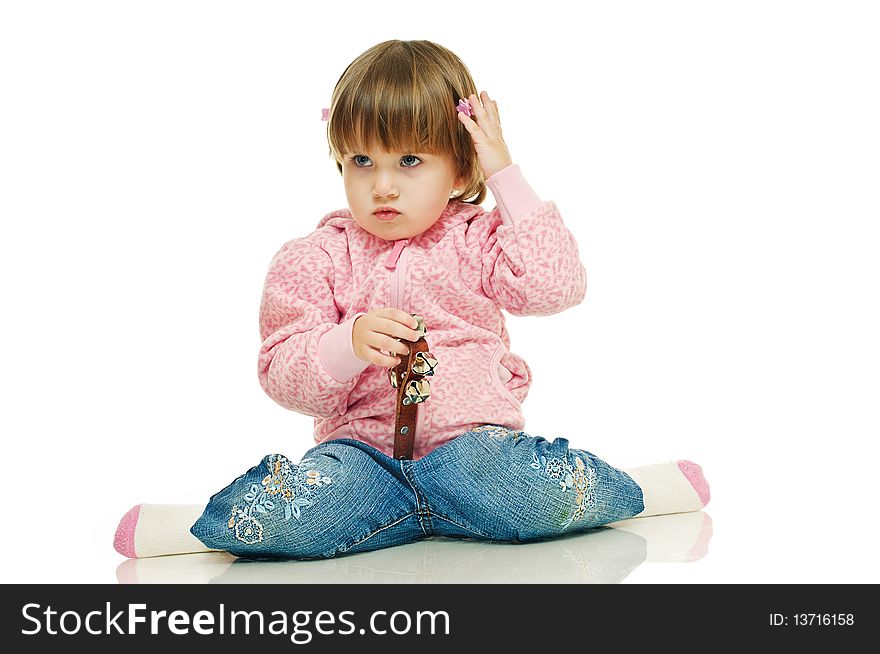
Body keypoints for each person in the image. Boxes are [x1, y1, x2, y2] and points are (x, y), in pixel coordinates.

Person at [114, 40, 709, 560]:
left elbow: (557, 286)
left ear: (458, 170)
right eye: (362, 161)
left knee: (512, 492)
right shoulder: (315, 257)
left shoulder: (479, 239)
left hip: (473, 452)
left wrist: (503, 172)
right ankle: (207, 531)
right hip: (363, 463)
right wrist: (345, 346)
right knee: (287, 511)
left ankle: (629, 491)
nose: (383, 184)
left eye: (410, 161)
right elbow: (280, 373)